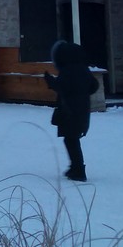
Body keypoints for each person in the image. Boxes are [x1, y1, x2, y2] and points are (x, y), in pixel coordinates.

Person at [43, 40, 99, 182]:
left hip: (69, 110)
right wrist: (82, 93)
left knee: (71, 140)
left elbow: (63, 88)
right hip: (82, 109)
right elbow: (94, 86)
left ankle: (78, 170)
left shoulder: (68, 70)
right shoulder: (82, 69)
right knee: (72, 139)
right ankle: (76, 167)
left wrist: (50, 81)